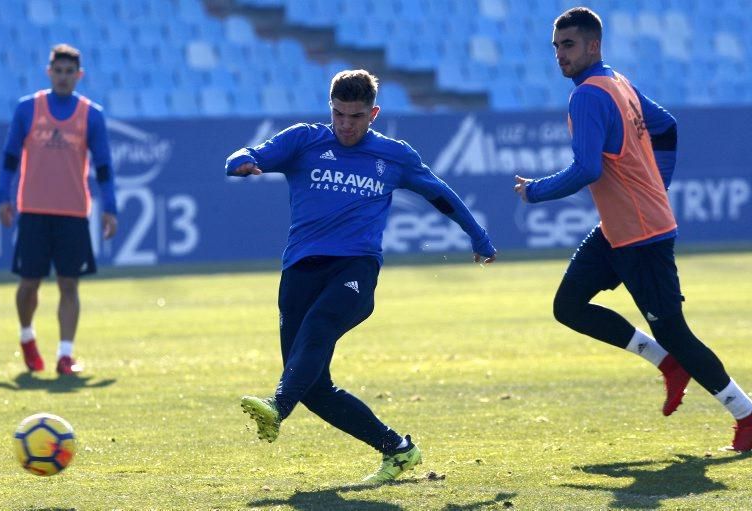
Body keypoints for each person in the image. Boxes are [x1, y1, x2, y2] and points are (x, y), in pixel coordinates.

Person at [227, 69, 497, 483]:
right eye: (338, 114)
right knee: (314, 387)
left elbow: (440, 193)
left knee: (317, 329)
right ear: (329, 108)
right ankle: (398, 451)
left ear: (374, 113)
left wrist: (477, 236)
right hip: (299, 269)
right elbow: (250, 154)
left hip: (355, 268)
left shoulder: (394, 155)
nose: (346, 125)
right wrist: (241, 162)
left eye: (355, 117)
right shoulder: (304, 140)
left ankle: (278, 406)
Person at [514, 7, 752, 451]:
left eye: (568, 45)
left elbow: (586, 168)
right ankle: (667, 364)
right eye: (556, 47)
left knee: (676, 331)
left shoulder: (588, 94)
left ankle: (747, 413)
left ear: (593, 46)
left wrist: (535, 193)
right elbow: (666, 127)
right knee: (568, 306)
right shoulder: (616, 81)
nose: (560, 55)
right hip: (618, 229)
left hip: (643, 236)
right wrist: (657, 183)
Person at [0, 44, 118, 376]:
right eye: (58, 71)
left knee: (69, 284)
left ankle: (65, 355)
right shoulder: (27, 109)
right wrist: (2, 198)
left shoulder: (91, 114)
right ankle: (27, 336)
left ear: (79, 76)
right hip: (34, 209)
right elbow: (9, 158)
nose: (63, 78)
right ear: (49, 72)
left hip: (73, 212)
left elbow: (104, 166)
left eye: (70, 72)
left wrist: (111, 207)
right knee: (28, 284)